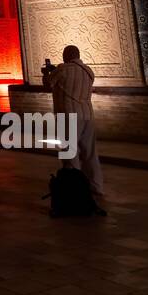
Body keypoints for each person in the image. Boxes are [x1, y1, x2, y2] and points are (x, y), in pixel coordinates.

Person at [51, 45, 103, 196]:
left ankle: (75, 189)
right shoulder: (89, 71)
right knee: (90, 153)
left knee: (70, 153)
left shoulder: (63, 70)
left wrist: (48, 72)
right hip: (87, 114)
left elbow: (49, 83)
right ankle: (96, 186)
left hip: (69, 115)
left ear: (66, 55)